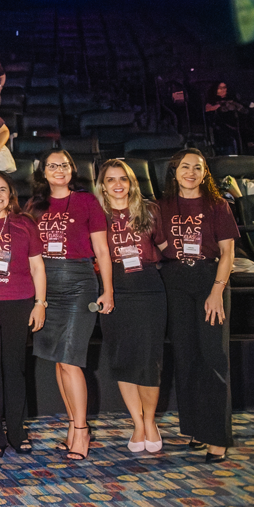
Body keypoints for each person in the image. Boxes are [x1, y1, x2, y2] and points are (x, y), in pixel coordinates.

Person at [25, 150, 112, 461]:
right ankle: (73, 428)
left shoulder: (88, 201)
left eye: (64, 165)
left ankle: (82, 429)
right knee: (59, 362)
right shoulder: (34, 205)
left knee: (72, 359)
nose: (59, 170)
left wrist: (108, 290)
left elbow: (102, 250)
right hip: (46, 284)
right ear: (43, 172)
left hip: (78, 283)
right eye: (52, 165)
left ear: (73, 169)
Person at [154, 149, 237, 462]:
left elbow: (228, 254)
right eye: (185, 166)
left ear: (205, 173)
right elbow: (158, 242)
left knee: (213, 357)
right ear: (174, 171)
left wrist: (217, 291)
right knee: (186, 357)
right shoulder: (162, 206)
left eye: (197, 168)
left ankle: (217, 437)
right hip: (175, 280)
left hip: (209, 280)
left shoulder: (218, 205)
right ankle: (195, 429)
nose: (190, 172)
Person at [95, 159, 166, 454]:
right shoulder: (97, 215)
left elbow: (165, 247)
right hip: (114, 289)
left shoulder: (150, 210)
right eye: (111, 179)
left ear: (132, 182)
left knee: (149, 360)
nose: (118, 184)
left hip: (148, 287)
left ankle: (150, 422)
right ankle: (137, 423)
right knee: (123, 359)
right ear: (102, 185)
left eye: (123, 178)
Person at [0, 171, 45, 456]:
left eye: (2, 189)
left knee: (14, 369)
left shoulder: (24, 223)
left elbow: (37, 266)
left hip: (19, 301)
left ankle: (17, 430)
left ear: (10, 194)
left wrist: (40, 303)